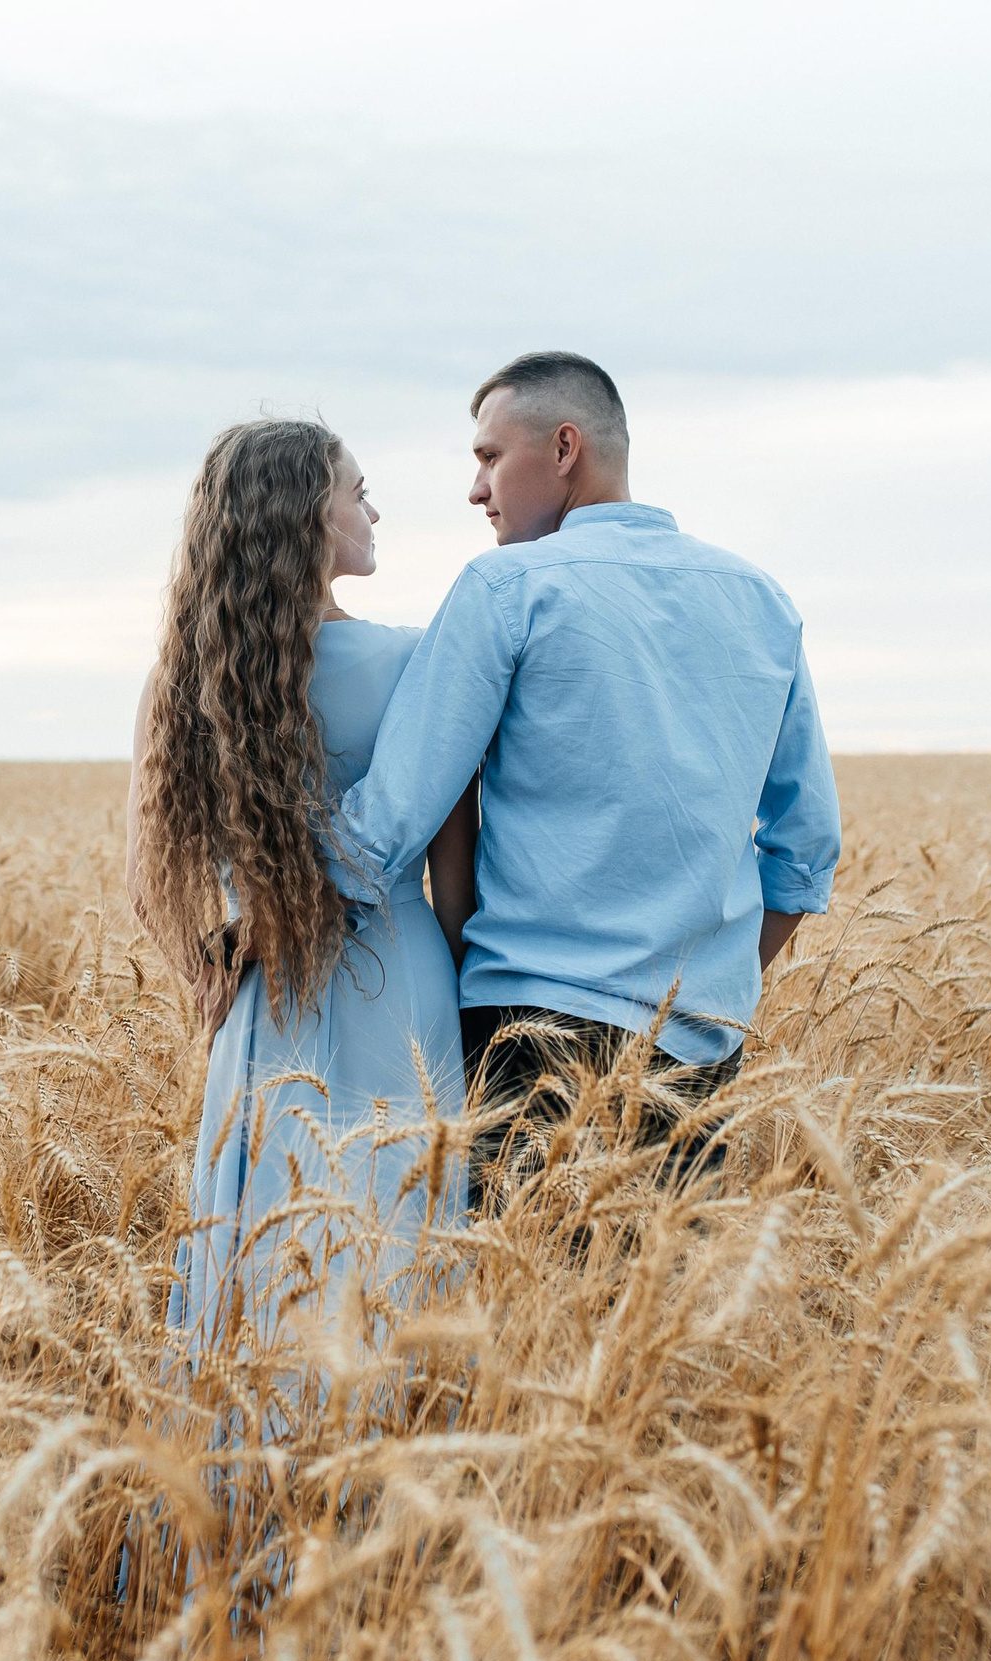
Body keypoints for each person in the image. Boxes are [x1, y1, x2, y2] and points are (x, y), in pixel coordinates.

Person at [328, 351, 841, 1211]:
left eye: (491, 457)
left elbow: (391, 816)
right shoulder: (761, 599)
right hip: (699, 1053)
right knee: (658, 1296)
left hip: (530, 1041)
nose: (477, 489)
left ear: (565, 448)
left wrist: (259, 914)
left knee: (523, 1293)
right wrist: (701, 990)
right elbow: (807, 851)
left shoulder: (506, 589)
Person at [127, 418, 473, 1357]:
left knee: (263, 1249)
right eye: (358, 492)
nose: (374, 510)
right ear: (308, 516)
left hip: (264, 1000)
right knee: (399, 1243)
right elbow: (454, 881)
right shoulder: (411, 664)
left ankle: (254, 1440)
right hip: (401, 986)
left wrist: (217, 968)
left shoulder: (186, 680)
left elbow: (150, 882)